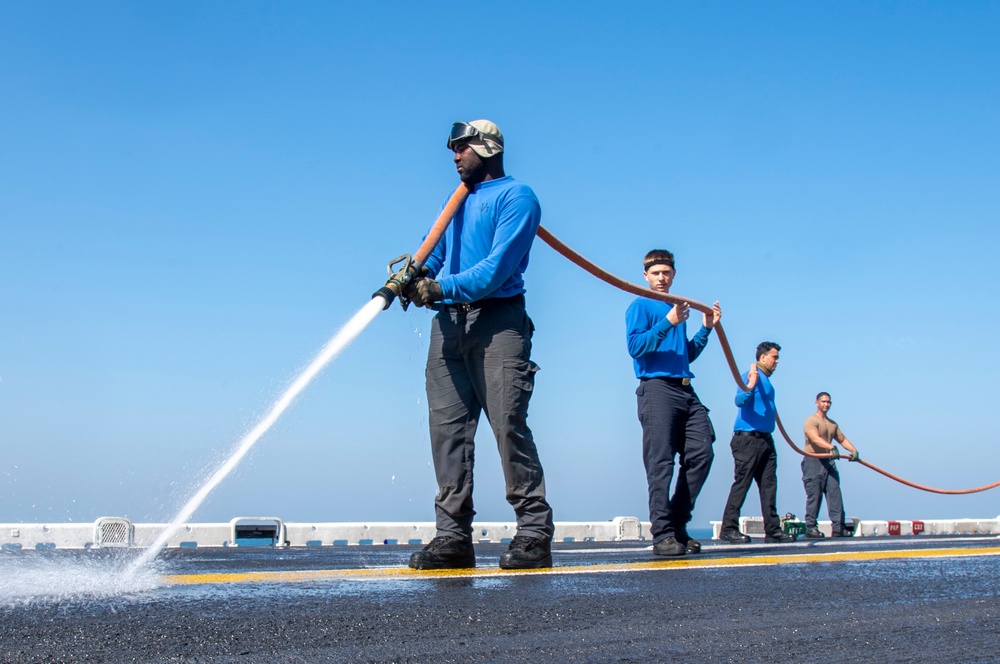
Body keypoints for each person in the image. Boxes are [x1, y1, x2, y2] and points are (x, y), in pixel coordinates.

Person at [404, 120, 554, 570]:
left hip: (498, 322)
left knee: (508, 425)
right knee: (446, 431)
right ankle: (452, 537)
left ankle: (533, 533)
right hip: (449, 325)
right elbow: (435, 253)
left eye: (461, 148)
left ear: (487, 148)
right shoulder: (458, 199)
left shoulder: (517, 198)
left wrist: (438, 288)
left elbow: (493, 271)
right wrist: (415, 275)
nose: (454, 157)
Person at [625, 250, 721, 556]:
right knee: (660, 464)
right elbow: (636, 347)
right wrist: (668, 321)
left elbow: (685, 355)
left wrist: (706, 328)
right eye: (656, 273)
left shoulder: (677, 307)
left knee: (702, 453)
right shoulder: (640, 304)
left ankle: (678, 525)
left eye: (666, 272)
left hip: (686, 389)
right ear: (646, 276)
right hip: (656, 389)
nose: (661, 278)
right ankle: (663, 534)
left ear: (674, 274)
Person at [718, 342, 796, 544]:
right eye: (774, 357)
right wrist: (751, 384)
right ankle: (728, 529)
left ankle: (772, 530)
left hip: (766, 440)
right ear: (763, 357)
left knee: (769, 486)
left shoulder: (767, 381)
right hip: (747, 439)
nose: (777, 361)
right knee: (742, 484)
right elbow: (740, 400)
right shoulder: (751, 374)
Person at [801, 392, 860, 538]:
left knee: (835, 493)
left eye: (828, 402)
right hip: (813, 460)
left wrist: (853, 450)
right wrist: (830, 447)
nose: (826, 404)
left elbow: (842, 439)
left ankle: (838, 528)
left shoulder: (832, 424)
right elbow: (814, 439)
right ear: (817, 403)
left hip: (829, 461)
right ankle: (811, 528)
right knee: (814, 495)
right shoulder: (811, 421)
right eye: (823, 401)